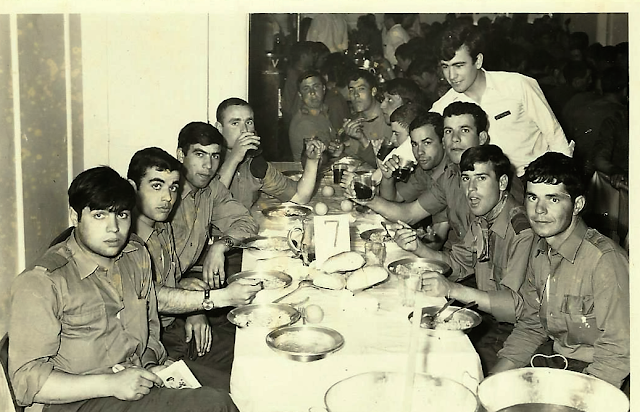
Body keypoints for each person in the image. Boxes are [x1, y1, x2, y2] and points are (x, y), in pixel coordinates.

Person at [9, 166, 237, 412]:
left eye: (122, 215)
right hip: (78, 401)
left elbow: (150, 331)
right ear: (75, 217)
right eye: (99, 216)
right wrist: (111, 384)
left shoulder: (135, 255)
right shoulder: (43, 282)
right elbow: (25, 383)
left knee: (237, 387)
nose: (114, 228)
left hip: (134, 379)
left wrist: (150, 365)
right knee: (215, 405)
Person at [491, 153, 629, 389]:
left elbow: (618, 354)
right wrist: (491, 381)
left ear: (578, 205)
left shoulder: (605, 261)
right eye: (532, 197)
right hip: (560, 363)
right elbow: (531, 326)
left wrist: (572, 401)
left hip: (602, 377)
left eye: (553, 199)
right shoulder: (540, 250)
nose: (539, 210)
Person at [127, 148, 261, 391]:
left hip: (175, 328)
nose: (168, 198)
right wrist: (212, 300)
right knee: (240, 387)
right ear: (132, 187)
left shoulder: (162, 225)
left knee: (254, 346)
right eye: (156, 186)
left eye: (173, 188)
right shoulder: (126, 241)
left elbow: (170, 280)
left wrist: (193, 310)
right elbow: (151, 296)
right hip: (156, 345)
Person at [394, 145, 534, 372]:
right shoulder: (483, 218)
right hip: (491, 323)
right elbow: (457, 265)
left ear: (502, 182)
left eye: (481, 178)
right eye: (466, 179)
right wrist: (417, 247)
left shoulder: (522, 231)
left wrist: (452, 289)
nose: (471, 189)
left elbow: (514, 307)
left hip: (518, 334)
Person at [431, 23, 573, 178]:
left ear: (478, 61)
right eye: (445, 67)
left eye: (458, 65)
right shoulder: (443, 106)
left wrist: (563, 180)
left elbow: (555, 135)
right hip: (486, 185)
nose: (451, 76)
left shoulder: (518, 85)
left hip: (535, 178)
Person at [351, 101, 488, 249]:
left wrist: (368, 198)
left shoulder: (487, 178)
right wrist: (383, 181)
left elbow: (436, 241)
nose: (419, 152)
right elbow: (404, 209)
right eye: (414, 144)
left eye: (464, 130)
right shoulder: (447, 175)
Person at [171, 121, 258, 288]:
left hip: (185, 278)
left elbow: (246, 222)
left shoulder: (211, 188)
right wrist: (177, 284)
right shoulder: (166, 193)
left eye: (215, 156)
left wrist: (221, 245)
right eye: (200, 154)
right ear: (181, 155)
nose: (209, 165)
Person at [214, 97, 325, 208]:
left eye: (249, 122)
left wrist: (312, 161)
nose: (244, 130)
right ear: (219, 128)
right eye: (235, 123)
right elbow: (210, 203)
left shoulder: (254, 163)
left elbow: (300, 196)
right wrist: (234, 158)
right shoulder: (209, 159)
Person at [329, 69, 391, 167]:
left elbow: (385, 166)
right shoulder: (356, 121)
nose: (355, 95)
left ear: (373, 91)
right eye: (351, 90)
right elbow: (356, 158)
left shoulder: (389, 119)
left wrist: (362, 139)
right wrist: (340, 152)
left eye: (361, 89)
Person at [286, 72, 333, 161]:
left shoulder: (321, 112)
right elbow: (320, 159)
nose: (312, 93)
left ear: (323, 89)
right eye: (306, 89)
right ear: (300, 95)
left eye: (316, 86)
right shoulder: (304, 123)